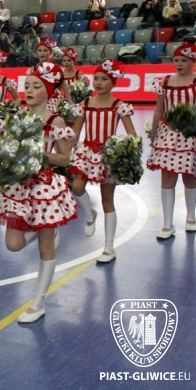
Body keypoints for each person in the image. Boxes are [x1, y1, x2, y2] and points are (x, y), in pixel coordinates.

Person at [0, 61, 77, 323]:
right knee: (13, 244)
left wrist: (38, 154)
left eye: (36, 86)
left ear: (48, 91)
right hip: (19, 186)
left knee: (46, 247)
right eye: (26, 85)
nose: (28, 90)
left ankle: (38, 302)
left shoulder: (55, 121)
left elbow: (65, 158)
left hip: (44, 188)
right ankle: (47, 229)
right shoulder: (17, 117)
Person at [147, 42, 196, 239]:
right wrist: (154, 132)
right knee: (167, 176)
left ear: (193, 61)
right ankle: (167, 224)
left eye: (184, 61)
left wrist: (184, 121)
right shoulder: (164, 81)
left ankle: (191, 217)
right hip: (167, 135)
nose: (179, 64)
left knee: (189, 175)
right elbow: (159, 110)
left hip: (190, 133)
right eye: (176, 60)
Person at [70, 59, 136, 263]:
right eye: (96, 78)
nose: (98, 82)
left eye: (104, 79)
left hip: (108, 155)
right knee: (76, 186)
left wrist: (123, 149)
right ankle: (90, 214)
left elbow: (132, 134)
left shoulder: (119, 106)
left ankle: (109, 247)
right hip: (87, 153)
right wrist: (69, 148)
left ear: (113, 82)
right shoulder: (85, 104)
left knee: (107, 199)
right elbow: (75, 132)